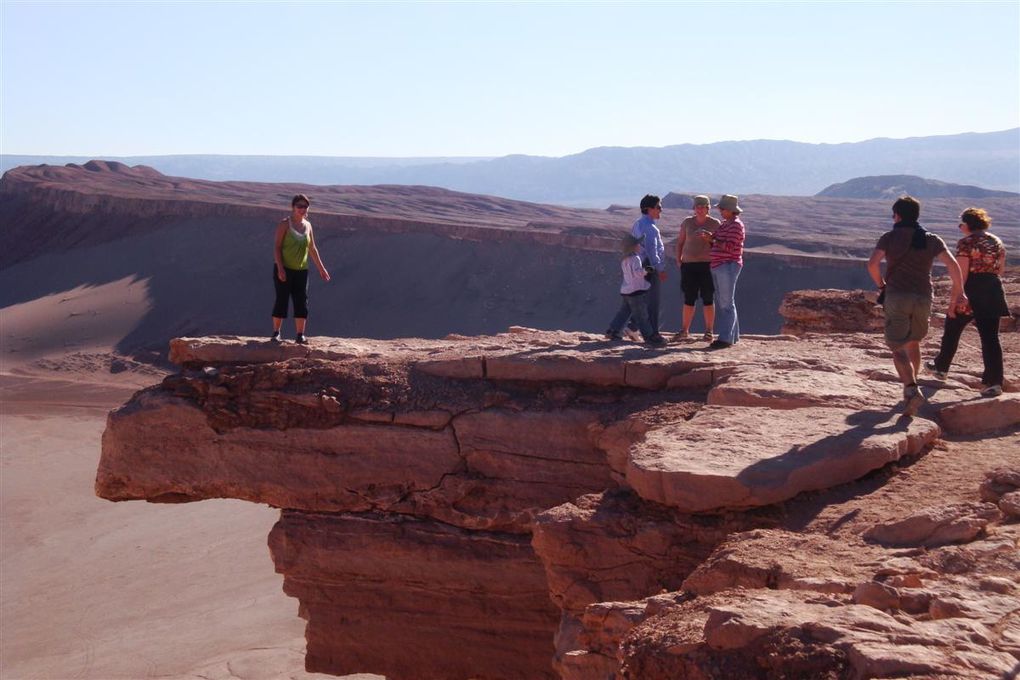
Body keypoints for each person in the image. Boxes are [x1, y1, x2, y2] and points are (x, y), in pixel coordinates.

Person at [867, 196, 965, 415]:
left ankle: (911, 389)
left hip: (897, 296)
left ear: (898, 215)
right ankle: (911, 387)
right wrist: (959, 292)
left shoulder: (889, 238)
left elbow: (873, 264)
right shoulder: (931, 239)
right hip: (923, 297)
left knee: (897, 346)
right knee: (913, 342)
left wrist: (881, 285)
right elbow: (953, 264)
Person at [926, 207, 1008, 397]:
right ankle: (994, 382)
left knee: (953, 327)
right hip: (993, 289)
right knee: (991, 338)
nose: (959, 226)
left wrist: (954, 300)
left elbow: (961, 274)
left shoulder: (966, 243)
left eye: (961, 223)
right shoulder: (997, 241)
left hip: (972, 289)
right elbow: (1000, 269)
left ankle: (941, 367)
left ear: (968, 224)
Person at [271, 194, 330, 344]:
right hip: (284, 268)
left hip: (302, 270)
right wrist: (280, 268)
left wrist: (321, 269)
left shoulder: (308, 225)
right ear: (293, 207)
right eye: (299, 206)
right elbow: (277, 248)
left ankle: (300, 335)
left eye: (305, 206)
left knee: (301, 301)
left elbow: (312, 248)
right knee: (282, 299)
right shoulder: (284, 224)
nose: (302, 209)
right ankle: (276, 332)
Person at [605, 234, 667, 346]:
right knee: (641, 315)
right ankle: (649, 336)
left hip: (626, 290)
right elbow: (638, 273)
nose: (640, 245)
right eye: (638, 244)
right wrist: (649, 269)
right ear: (633, 246)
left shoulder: (624, 259)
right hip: (636, 292)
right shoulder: (635, 258)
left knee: (624, 312)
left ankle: (613, 330)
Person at [674, 195, 720, 342]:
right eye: (697, 207)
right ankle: (685, 330)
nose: (700, 210)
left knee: (708, 298)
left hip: (707, 265)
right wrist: (679, 260)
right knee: (689, 298)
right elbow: (680, 242)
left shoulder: (715, 224)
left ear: (708, 208)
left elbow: (719, 244)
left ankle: (709, 331)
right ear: (694, 208)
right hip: (688, 265)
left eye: (703, 207)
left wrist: (710, 239)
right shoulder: (687, 222)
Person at [701, 194, 745, 350]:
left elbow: (730, 247)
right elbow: (719, 242)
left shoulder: (736, 226)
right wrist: (711, 238)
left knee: (726, 303)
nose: (720, 211)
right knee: (726, 301)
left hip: (728, 265)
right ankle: (733, 336)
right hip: (719, 265)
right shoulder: (726, 224)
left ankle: (725, 338)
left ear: (730, 210)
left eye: (722, 208)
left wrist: (712, 240)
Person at [626, 194, 667, 338]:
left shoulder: (638, 223)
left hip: (638, 264)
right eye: (658, 207)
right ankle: (653, 333)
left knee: (642, 297)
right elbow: (651, 251)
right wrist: (659, 269)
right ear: (649, 209)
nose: (660, 210)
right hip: (649, 265)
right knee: (653, 300)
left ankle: (633, 326)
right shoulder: (650, 228)